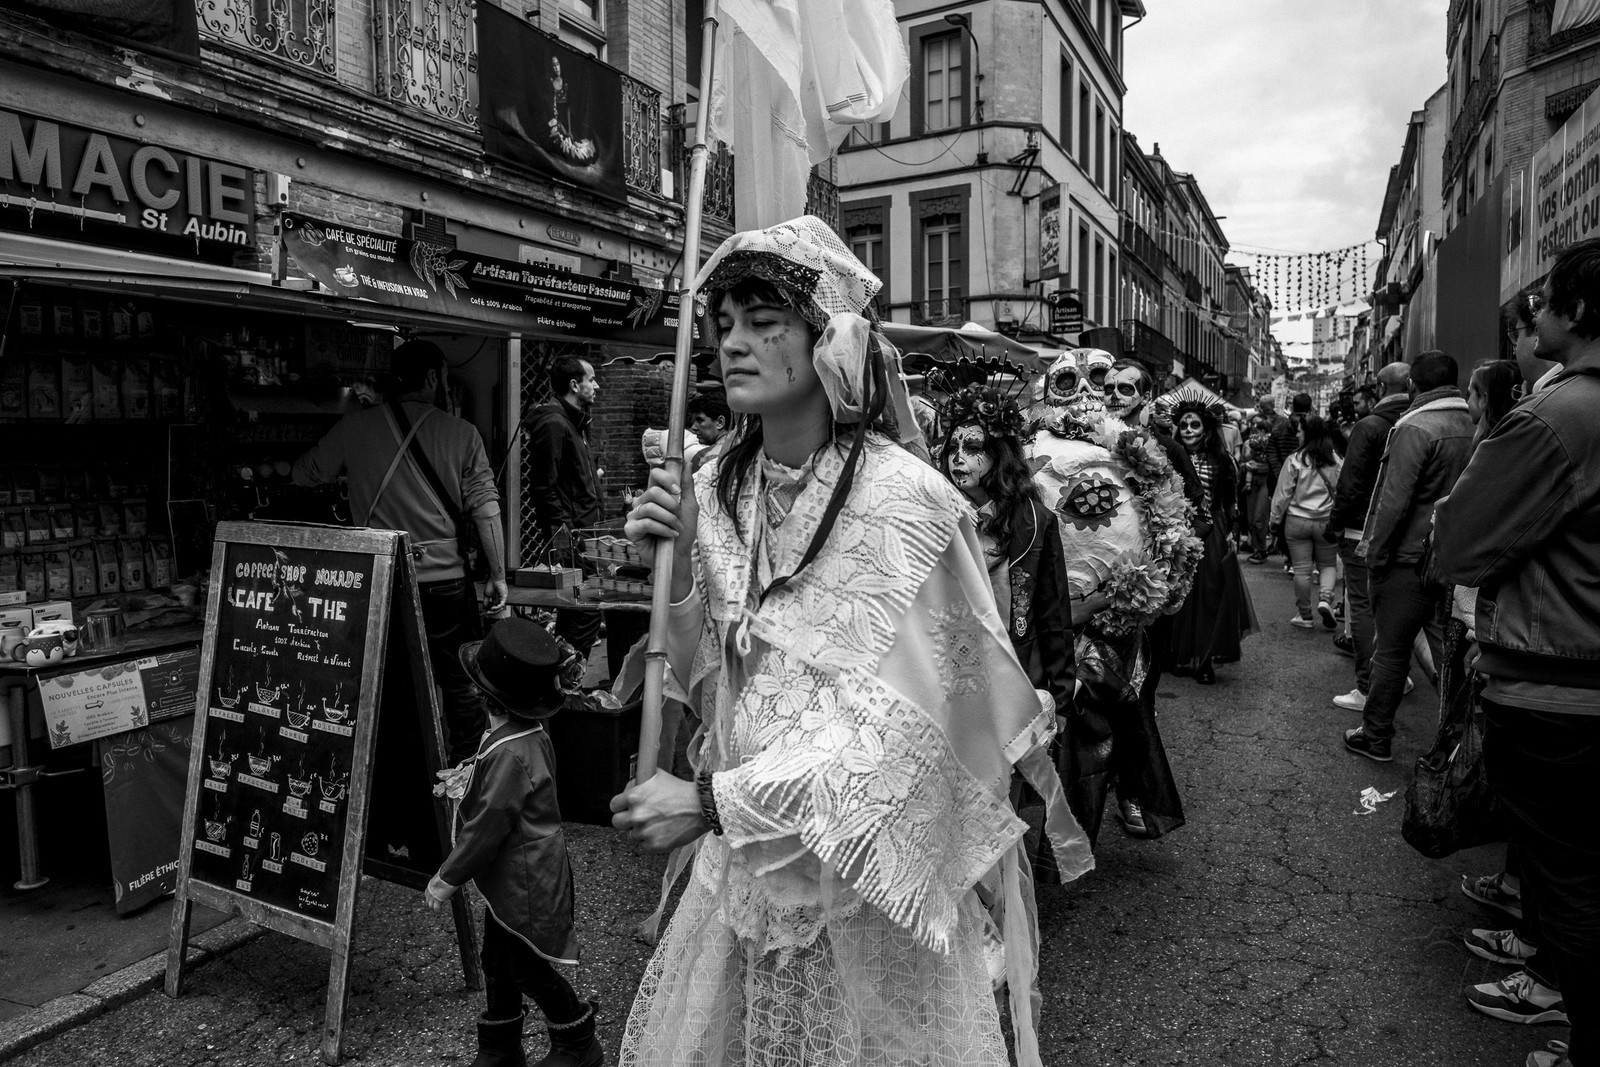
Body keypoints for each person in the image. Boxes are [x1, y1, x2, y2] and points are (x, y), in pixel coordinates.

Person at [609, 216, 1089, 1067]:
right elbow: (715, 691)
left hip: (861, 899)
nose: (734, 345)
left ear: (829, 339)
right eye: (723, 325)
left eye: (765, 323)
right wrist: (681, 564)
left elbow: (911, 735)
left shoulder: (910, 504)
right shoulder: (717, 488)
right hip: (741, 888)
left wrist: (715, 803)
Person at [1437, 240, 1600, 1067]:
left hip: (1556, 681)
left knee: (1565, 875)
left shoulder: (1558, 415)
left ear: (1576, 312)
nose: (1529, 315)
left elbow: (1460, 542)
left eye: (1542, 302)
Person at [292, 339, 506, 765]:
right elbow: (485, 510)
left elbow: (304, 473)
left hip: (382, 584)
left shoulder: (355, 427)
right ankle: (464, 769)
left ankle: (404, 774)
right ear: (432, 378)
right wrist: (497, 575)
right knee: (461, 680)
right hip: (446, 585)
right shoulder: (461, 434)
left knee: (391, 683)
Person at [426, 618, 599, 1067]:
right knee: (497, 958)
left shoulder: (508, 752)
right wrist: (472, 775)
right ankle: (500, 1047)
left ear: (485, 696)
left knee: (522, 965)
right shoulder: (524, 735)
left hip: (524, 880)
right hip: (522, 874)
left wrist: (447, 878)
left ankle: (577, 1040)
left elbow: (487, 825)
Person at [1343, 350, 1474, 762]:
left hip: (1407, 560)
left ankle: (1376, 735)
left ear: (1414, 385)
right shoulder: (1473, 423)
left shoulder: (1415, 427)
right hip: (1452, 559)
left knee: (1392, 652)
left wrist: (1376, 557)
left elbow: (1393, 503)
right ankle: (1456, 740)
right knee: (1448, 654)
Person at [938, 385, 1075, 725]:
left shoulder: (1034, 521)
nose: (958, 458)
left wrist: (1059, 698)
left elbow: (1053, 613)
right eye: (952, 447)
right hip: (949, 677)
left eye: (972, 447)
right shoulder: (933, 515)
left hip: (1016, 672)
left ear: (999, 455)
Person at [1325, 362, 1410, 707]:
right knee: (1390, 607)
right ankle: (1394, 676)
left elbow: (1352, 482)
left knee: (1360, 604)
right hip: (1403, 530)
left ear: (1379, 387)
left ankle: (1367, 686)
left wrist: (1334, 523)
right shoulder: (1417, 421)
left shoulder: (1370, 426)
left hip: (1362, 528)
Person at [1165, 399, 1255, 684]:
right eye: (1184, 425)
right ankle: (1174, 654)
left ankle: (1203, 659)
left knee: (1208, 594)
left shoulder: (1221, 459)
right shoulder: (1167, 455)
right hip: (1173, 528)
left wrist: (1231, 532)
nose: (1189, 430)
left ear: (1206, 429)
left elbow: (1230, 499)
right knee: (1172, 591)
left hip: (1211, 531)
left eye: (1195, 425)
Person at [525, 355, 604, 658]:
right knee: (584, 614)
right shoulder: (555, 424)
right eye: (592, 379)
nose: (596, 386)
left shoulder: (574, 422)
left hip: (584, 534)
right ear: (575, 384)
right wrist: (564, 540)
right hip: (573, 539)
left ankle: (565, 684)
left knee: (579, 614)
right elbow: (544, 488)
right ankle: (565, 685)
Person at [1269, 414, 1343, 630]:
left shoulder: (1294, 460)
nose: (1297, 434)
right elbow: (1342, 490)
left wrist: (1274, 520)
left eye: (1300, 430)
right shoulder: (1336, 460)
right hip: (1325, 522)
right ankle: (1325, 598)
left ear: (1308, 434)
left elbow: (1282, 494)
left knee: (1301, 570)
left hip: (1297, 521)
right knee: (1328, 564)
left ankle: (1305, 615)